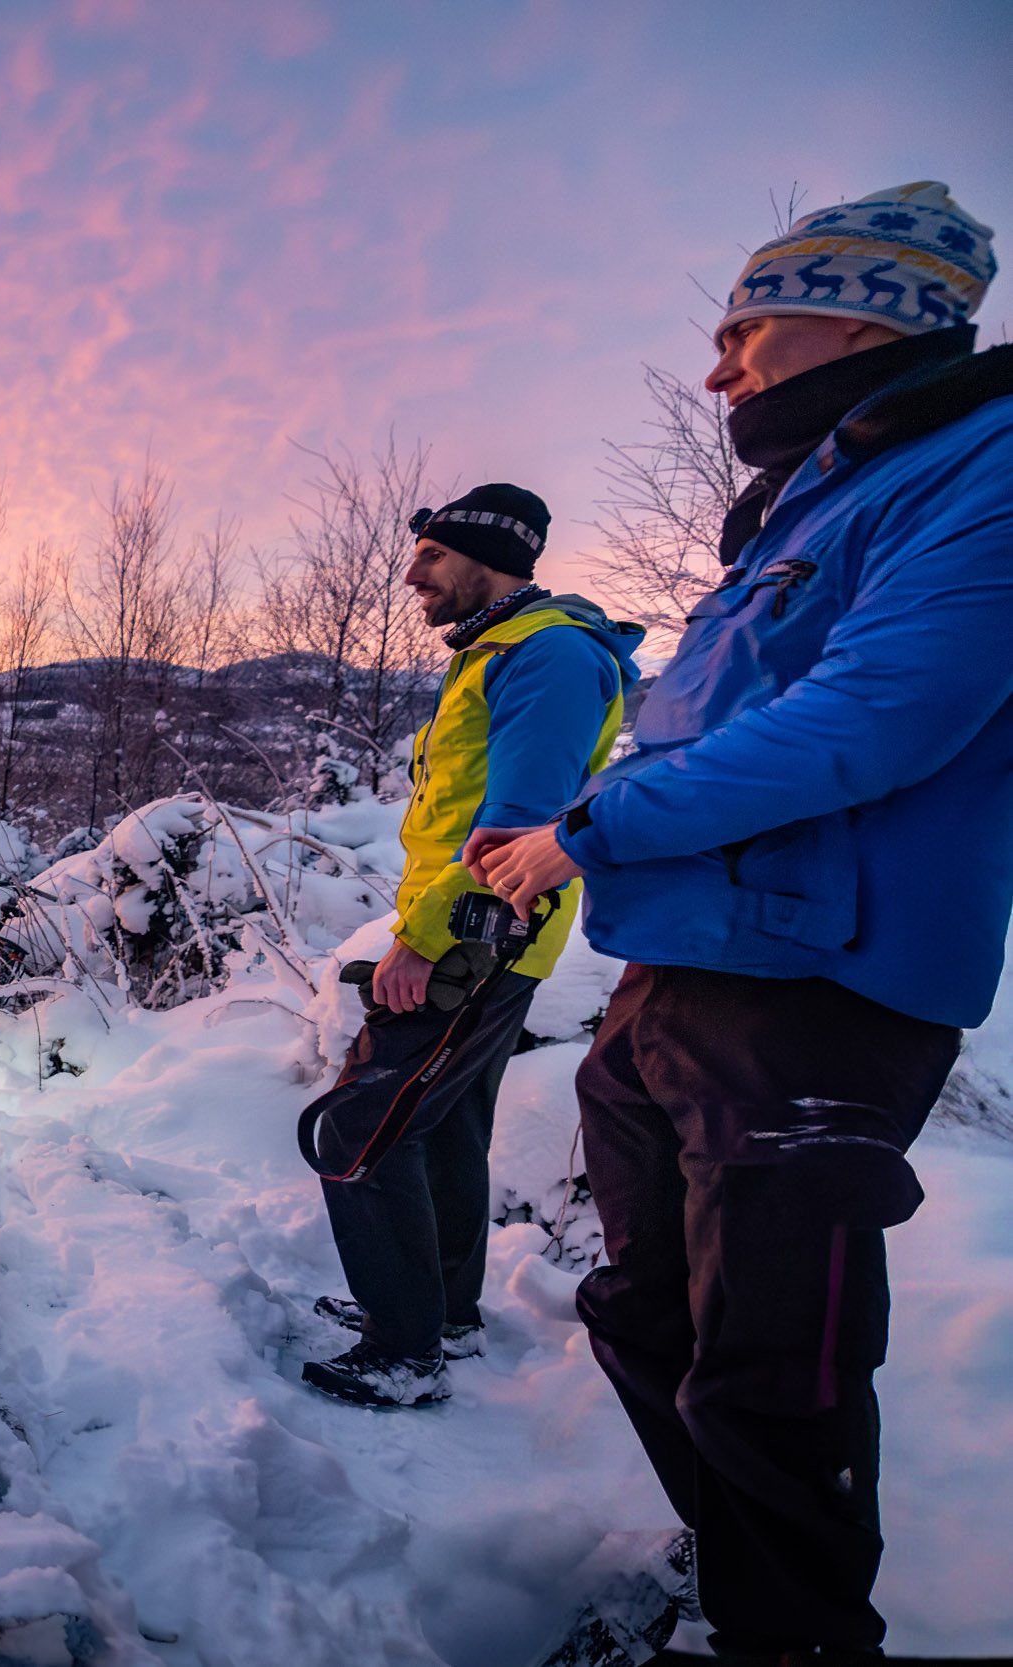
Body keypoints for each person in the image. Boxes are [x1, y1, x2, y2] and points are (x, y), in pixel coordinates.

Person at [468, 181, 1008, 1661]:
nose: (721, 373)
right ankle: (745, 1586)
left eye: (744, 328)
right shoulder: (825, 499)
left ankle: (794, 1636)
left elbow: (878, 718)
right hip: (688, 971)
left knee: (776, 1366)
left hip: (818, 982)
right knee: (648, 1313)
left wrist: (591, 828)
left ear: (867, 312)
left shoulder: (984, 467)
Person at [298, 484, 644, 1408]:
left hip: (478, 935)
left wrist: (423, 940)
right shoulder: (503, 652)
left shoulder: (551, 656)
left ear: (489, 557)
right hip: (483, 932)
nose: (413, 574)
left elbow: (523, 822)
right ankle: (442, 1313)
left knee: (357, 1126)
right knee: (443, 1124)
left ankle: (404, 1349)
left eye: (432, 555)